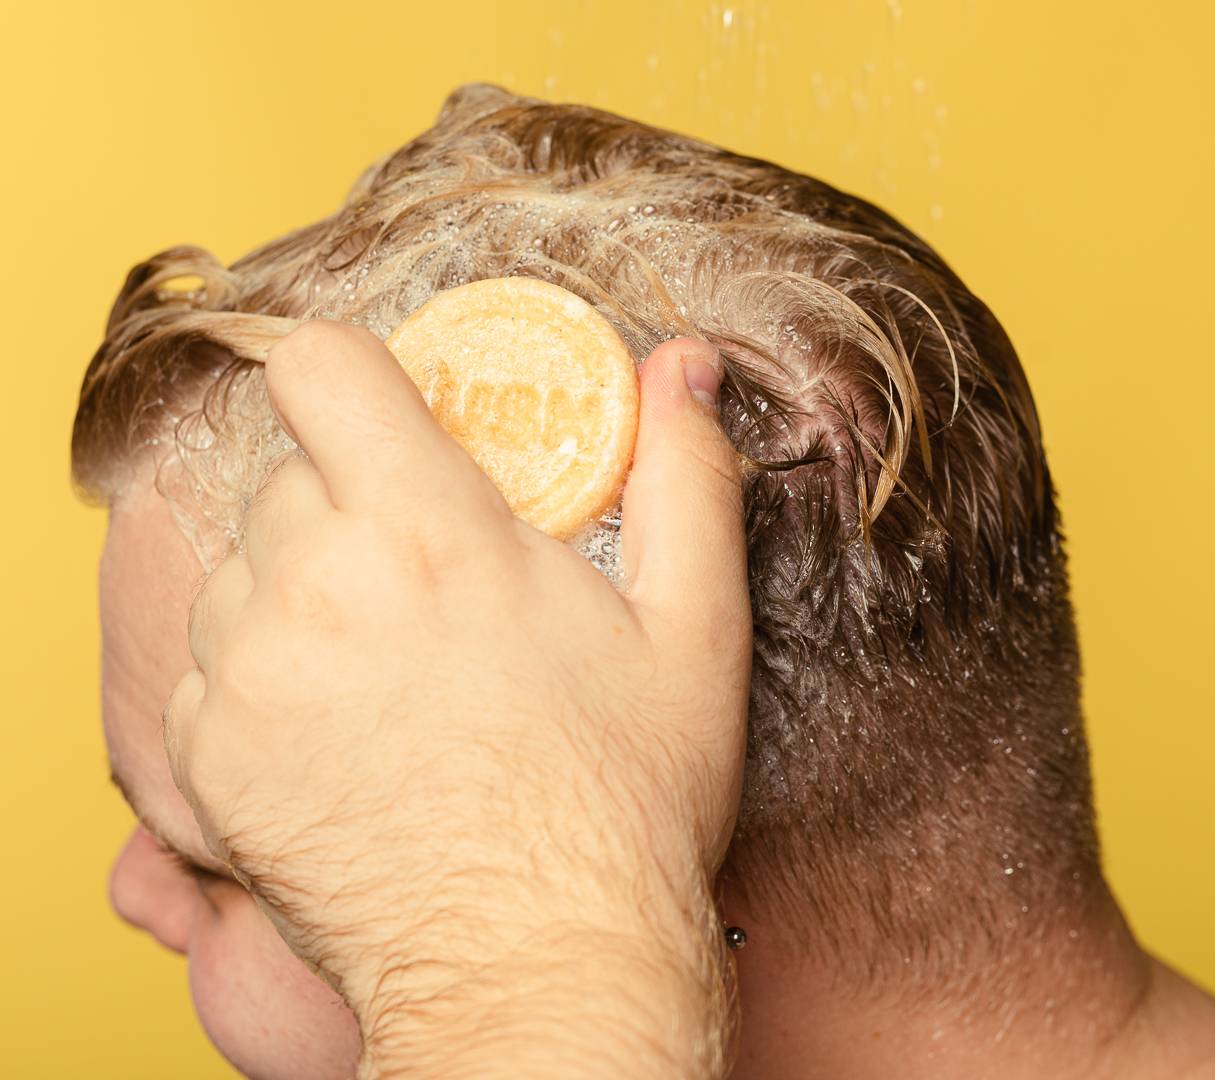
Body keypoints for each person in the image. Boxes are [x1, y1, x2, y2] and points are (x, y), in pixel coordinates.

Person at [72, 83, 1215, 1079]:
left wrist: (522, 975)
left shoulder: (567, 941)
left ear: (659, 887)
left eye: (223, 860)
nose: (132, 894)